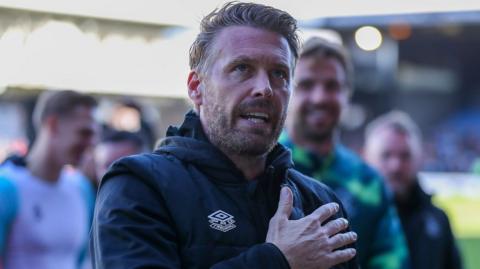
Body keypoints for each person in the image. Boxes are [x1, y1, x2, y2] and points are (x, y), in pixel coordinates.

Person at [91, 2, 359, 269]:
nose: (264, 88)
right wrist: (275, 260)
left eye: (279, 73)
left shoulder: (320, 202)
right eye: (242, 68)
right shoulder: (139, 186)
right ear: (197, 88)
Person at [281, 37, 410, 269]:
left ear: (347, 93)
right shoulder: (260, 167)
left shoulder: (369, 182)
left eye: (332, 86)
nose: (319, 98)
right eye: (307, 85)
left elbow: (392, 261)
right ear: (288, 89)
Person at [0, 90, 98, 269]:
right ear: (53, 125)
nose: (91, 143)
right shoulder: (6, 187)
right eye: (84, 133)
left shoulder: (82, 189)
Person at [364, 111, 463, 269]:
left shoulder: (438, 219)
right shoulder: (350, 217)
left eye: (405, 156)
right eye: (386, 155)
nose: (395, 166)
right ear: (367, 157)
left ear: (419, 158)